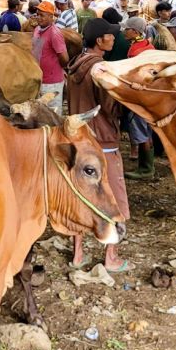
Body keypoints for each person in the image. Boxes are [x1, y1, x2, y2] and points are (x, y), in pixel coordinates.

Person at [66, 17, 130, 272]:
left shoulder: (75, 65)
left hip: (80, 140)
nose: (113, 38)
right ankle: (111, 257)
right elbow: (111, 106)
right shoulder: (101, 69)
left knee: (81, 195)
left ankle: (78, 254)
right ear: (99, 40)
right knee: (113, 196)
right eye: (110, 35)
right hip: (103, 141)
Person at [32, 1, 69, 113]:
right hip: (39, 80)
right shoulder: (37, 30)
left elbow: (65, 58)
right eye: (37, 14)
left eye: (42, 15)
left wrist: (57, 70)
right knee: (41, 113)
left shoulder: (54, 34)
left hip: (52, 83)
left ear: (51, 17)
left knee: (53, 114)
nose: (38, 17)